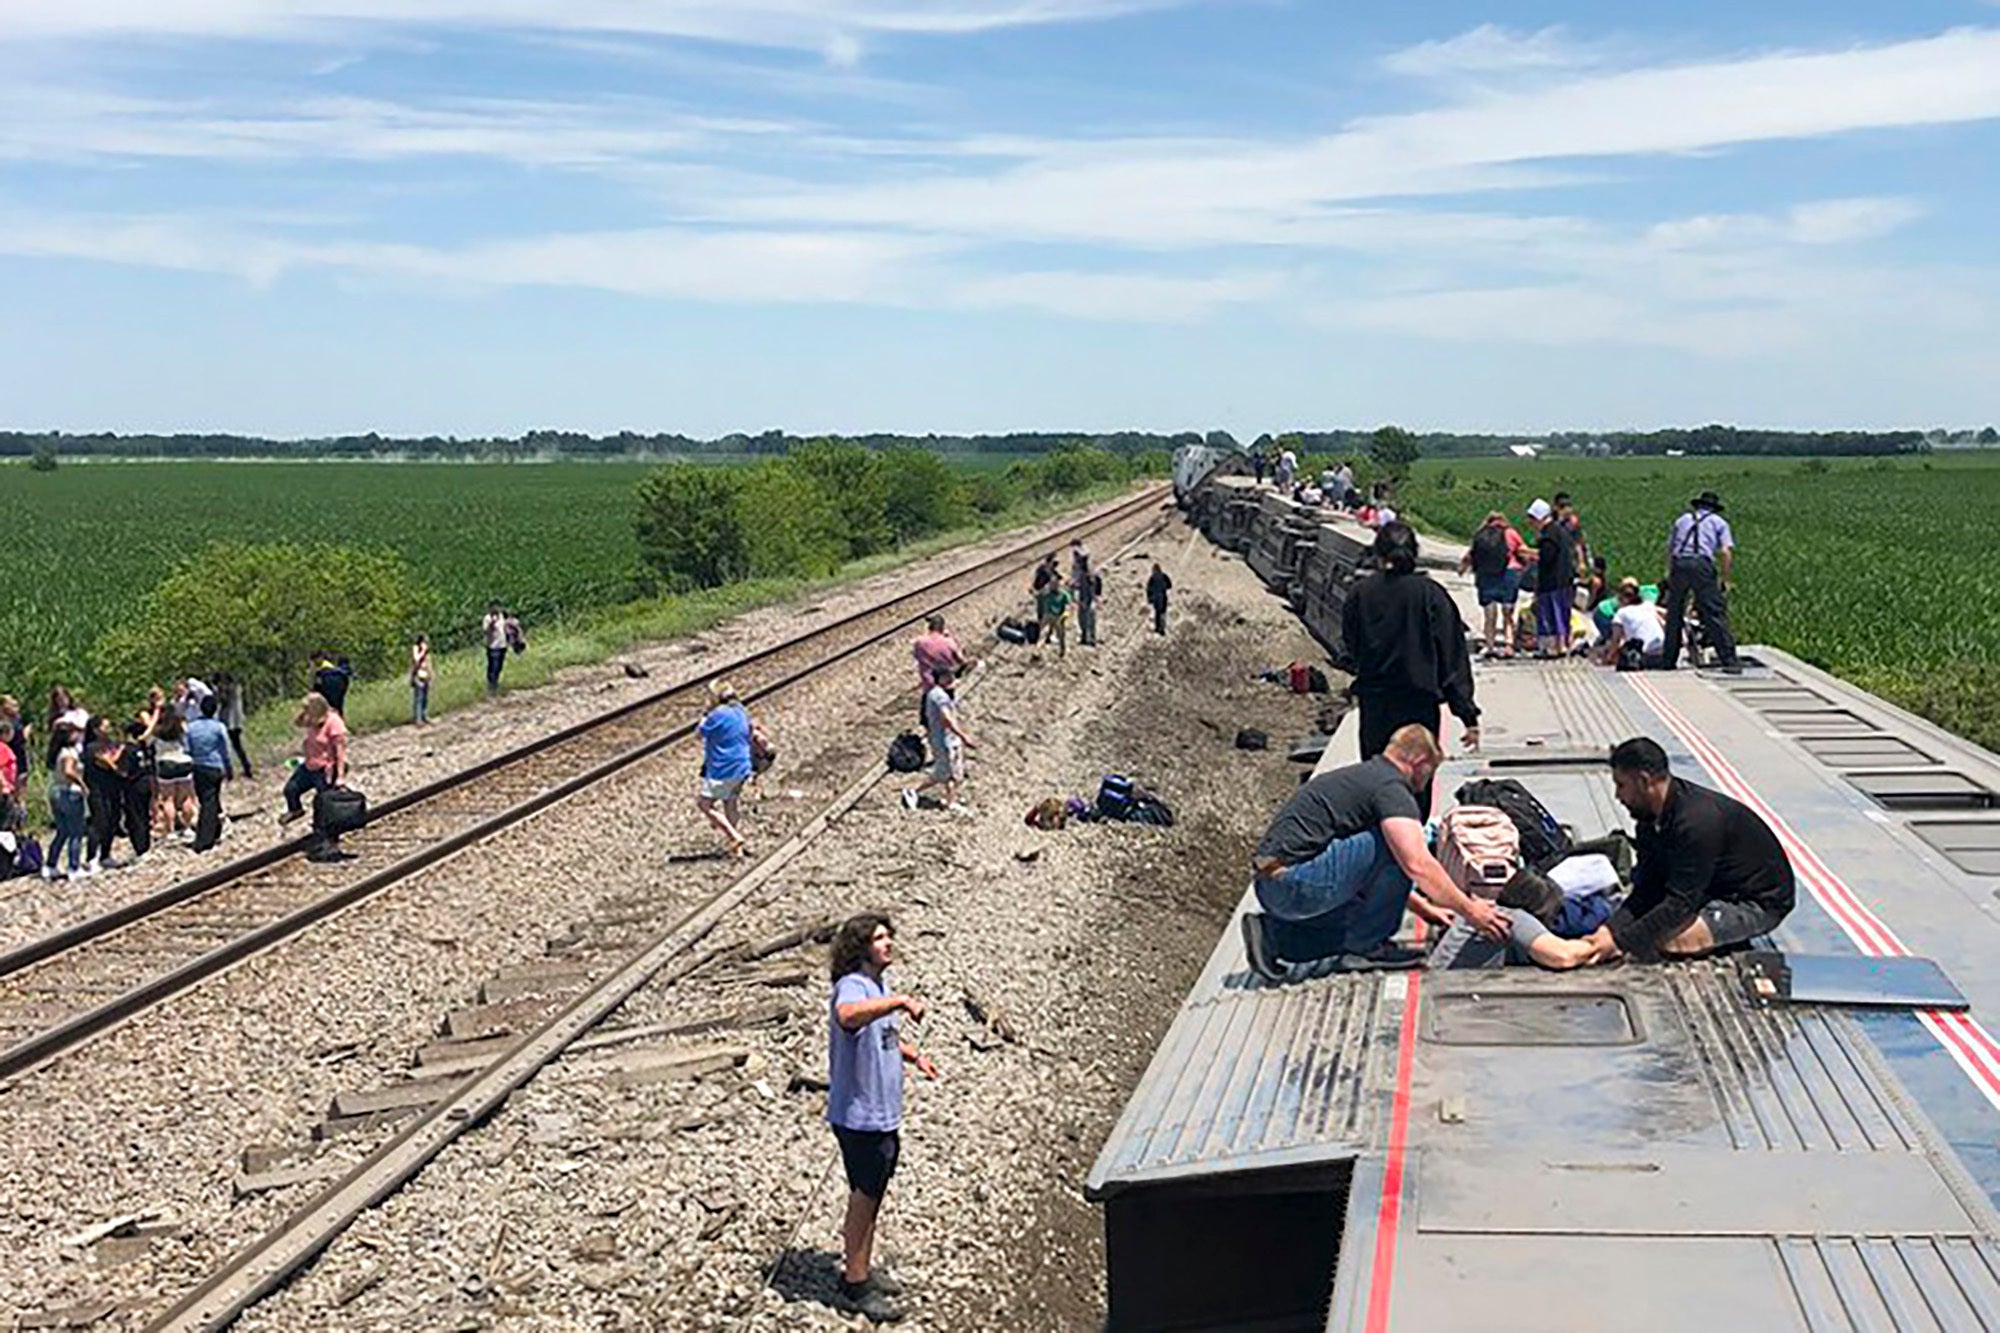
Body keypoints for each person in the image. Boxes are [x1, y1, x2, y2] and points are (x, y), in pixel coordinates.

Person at [1242, 725, 1510, 980]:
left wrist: (1424, 907)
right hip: (1298, 884)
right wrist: (1471, 911)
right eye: (1430, 770)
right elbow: (1416, 864)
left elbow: (1370, 868)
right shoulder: (1391, 789)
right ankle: (1368, 947)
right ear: (1418, 759)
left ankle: (1275, 937)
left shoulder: (1365, 777)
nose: (1427, 780)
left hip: (1275, 885)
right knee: (1400, 842)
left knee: (1357, 918)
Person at [1573, 738, 1795, 964]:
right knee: (1643, 929)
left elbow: (1680, 904)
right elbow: (1648, 888)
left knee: (1669, 942)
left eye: (1621, 785)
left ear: (1643, 781)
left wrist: (1621, 944)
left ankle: (1720, 936)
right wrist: (1609, 931)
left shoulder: (1696, 823)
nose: (1618, 797)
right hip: (1709, 887)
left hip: (1756, 901)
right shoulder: (1649, 819)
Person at [826, 913, 936, 1323]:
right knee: (864, 1195)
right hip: (859, 1116)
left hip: (883, 1114)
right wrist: (898, 1001)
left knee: (872, 1195)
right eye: (879, 938)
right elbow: (849, 1016)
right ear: (861, 948)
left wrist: (914, 1055)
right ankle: (854, 1284)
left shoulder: (878, 985)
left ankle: (862, 1271)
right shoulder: (853, 986)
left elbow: (882, 1034)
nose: (888, 943)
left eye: (890, 936)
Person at [1340, 522, 1480, 812]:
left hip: (1375, 703)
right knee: (1416, 787)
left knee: (1378, 787)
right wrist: (1466, 713)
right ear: (1414, 552)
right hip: (1419, 706)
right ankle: (1411, 849)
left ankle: (1383, 849)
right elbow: (1452, 657)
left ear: (1379, 553)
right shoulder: (1431, 594)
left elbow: (1350, 648)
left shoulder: (1360, 594)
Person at [1660, 490, 1741, 673]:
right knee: (1713, 612)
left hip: (1679, 563)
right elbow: (1725, 552)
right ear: (1714, 508)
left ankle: (1668, 660)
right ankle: (1729, 660)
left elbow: (1670, 548)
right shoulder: (1719, 523)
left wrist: (1669, 573)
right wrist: (1725, 578)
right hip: (1702, 564)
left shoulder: (1682, 520)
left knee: (1674, 614)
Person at [280, 692, 348, 857]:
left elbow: (340, 753)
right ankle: (296, 810)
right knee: (291, 789)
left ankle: (328, 842)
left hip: (326, 769)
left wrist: (340, 777)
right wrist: (303, 713)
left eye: (307, 709)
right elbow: (296, 723)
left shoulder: (334, 723)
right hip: (309, 766)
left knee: (324, 807)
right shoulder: (312, 720)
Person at [901, 665, 976, 811]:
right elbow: (946, 719)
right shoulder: (939, 696)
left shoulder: (940, 692)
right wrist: (964, 736)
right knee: (943, 772)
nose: (951, 678)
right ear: (938, 679)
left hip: (949, 739)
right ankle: (913, 791)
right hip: (943, 741)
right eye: (946, 676)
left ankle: (950, 801)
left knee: (954, 772)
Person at [695, 680, 753, 856]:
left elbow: (699, 733)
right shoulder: (742, 711)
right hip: (742, 765)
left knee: (705, 804)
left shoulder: (715, 716)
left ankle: (734, 836)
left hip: (723, 768)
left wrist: (704, 716)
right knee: (730, 803)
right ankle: (737, 850)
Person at [1459, 511, 1525, 657]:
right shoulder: (1510, 533)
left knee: (1489, 614)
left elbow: (1471, 554)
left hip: (1485, 575)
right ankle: (1509, 645)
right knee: (1508, 613)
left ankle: (1489, 645)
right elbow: (1522, 551)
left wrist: (1462, 568)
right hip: (1509, 574)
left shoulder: (1481, 534)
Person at [1523, 498, 1575, 657]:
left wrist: (1528, 553)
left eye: (1532, 520)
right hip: (1565, 580)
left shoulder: (1549, 534)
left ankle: (1550, 648)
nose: (1531, 524)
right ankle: (1562, 646)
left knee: (1550, 615)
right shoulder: (1560, 531)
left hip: (1552, 581)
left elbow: (1547, 556)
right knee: (1561, 614)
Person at [186, 694, 234, 852]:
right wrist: (229, 768)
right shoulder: (219, 727)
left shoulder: (191, 727)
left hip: (198, 767)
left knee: (206, 800)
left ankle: (212, 832)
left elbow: (187, 749)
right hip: (215, 766)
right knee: (210, 801)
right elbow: (225, 750)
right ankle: (206, 838)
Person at [46, 721, 89, 881]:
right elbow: (69, 771)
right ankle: (74, 867)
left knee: (62, 831)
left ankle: (51, 864)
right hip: (69, 792)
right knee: (76, 832)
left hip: (55, 791)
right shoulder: (69, 753)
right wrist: (82, 784)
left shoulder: (57, 752)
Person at [82, 716, 126, 872]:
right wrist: (120, 752)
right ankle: (90, 857)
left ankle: (105, 854)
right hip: (97, 790)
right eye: (105, 726)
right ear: (96, 730)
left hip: (113, 788)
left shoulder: (111, 744)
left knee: (113, 821)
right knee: (99, 822)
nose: (108, 730)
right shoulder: (91, 747)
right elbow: (107, 763)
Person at [149, 709, 198, 843]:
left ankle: (171, 831)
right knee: (186, 798)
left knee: (167, 799)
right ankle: (187, 828)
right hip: (183, 762)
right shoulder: (181, 731)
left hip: (165, 763)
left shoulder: (157, 733)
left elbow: (147, 742)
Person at [1596, 580, 1667, 669]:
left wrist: (1607, 659)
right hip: (1663, 653)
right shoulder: (1648, 606)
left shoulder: (1621, 614)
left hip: (1645, 655)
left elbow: (1616, 641)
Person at [910, 615, 969, 723]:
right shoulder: (949, 642)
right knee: (947, 715)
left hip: (929, 685)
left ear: (929, 628)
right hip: (947, 684)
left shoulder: (919, 643)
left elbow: (916, 656)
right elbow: (961, 661)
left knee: (927, 718)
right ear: (942, 628)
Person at [116, 718, 155, 859]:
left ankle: (140, 848)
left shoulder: (128, 750)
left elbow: (124, 771)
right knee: (144, 815)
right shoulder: (146, 748)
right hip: (146, 783)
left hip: (132, 786)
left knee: (135, 817)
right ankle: (146, 844)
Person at [215, 672, 252, 777]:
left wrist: (218, 692)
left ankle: (229, 770)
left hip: (230, 721)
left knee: (226, 746)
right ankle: (246, 767)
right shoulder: (237, 688)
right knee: (237, 746)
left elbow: (222, 701)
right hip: (237, 721)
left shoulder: (228, 690)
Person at [1034, 569, 1070, 660]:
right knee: (1043, 633)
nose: (1053, 586)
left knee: (1061, 635)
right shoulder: (1047, 593)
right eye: (1052, 584)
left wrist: (1065, 615)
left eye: (1055, 584)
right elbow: (1038, 596)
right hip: (1048, 615)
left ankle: (1062, 651)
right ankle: (1038, 651)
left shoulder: (1063, 595)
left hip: (1058, 616)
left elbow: (1069, 606)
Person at [1069, 539, 1099, 647]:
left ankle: (1087, 637)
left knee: (1084, 614)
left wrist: (1073, 586)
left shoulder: (1083, 571)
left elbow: (1076, 578)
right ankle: (1089, 637)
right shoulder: (1089, 568)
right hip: (1087, 593)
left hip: (1085, 593)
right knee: (1088, 614)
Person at [482, 602, 511, 697]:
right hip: (492, 646)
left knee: (499, 666)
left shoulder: (502, 616)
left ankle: (495, 684)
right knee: (493, 666)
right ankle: (492, 686)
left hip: (502, 645)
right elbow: (486, 631)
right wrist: (492, 623)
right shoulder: (487, 618)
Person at [410, 633, 434, 725]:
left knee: (425, 697)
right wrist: (423, 651)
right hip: (418, 675)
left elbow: (428, 663)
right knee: (418, 697)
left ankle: (424, 715)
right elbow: (416, 660)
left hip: (425, 674)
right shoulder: (416, 649)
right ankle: (418, 718)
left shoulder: (427, 652)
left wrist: (431, 673)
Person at [1145, 562, 1173, 635]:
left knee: (1157, 612)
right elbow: (1169, 585)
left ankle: (1157, 627)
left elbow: (1148, 589)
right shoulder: (1164, 576)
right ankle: (1162, 628)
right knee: (1163, 612)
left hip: (1155, 598)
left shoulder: (1152, 578)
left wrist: (1149, 598)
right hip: (1163, 597)